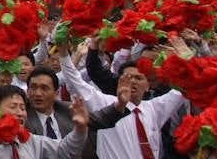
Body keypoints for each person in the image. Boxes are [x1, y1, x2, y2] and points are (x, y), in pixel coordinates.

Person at [58, 40, 187, 159]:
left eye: (138, 78)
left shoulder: (154, 108)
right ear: (119, 81)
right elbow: (74, 80)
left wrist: (187, 58)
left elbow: (186, 87)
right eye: (127, 77)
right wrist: (64, 54)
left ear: (148, 85)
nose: (132, 82)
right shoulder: (104, 103)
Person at [24, 65, 128, 159]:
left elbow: (100, 118)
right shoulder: (22, 117)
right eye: (33, 88)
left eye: (44, 88)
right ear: (27, 92)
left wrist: (120, 103)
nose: (37, 93)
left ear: (56, 94)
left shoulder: (68, 110)